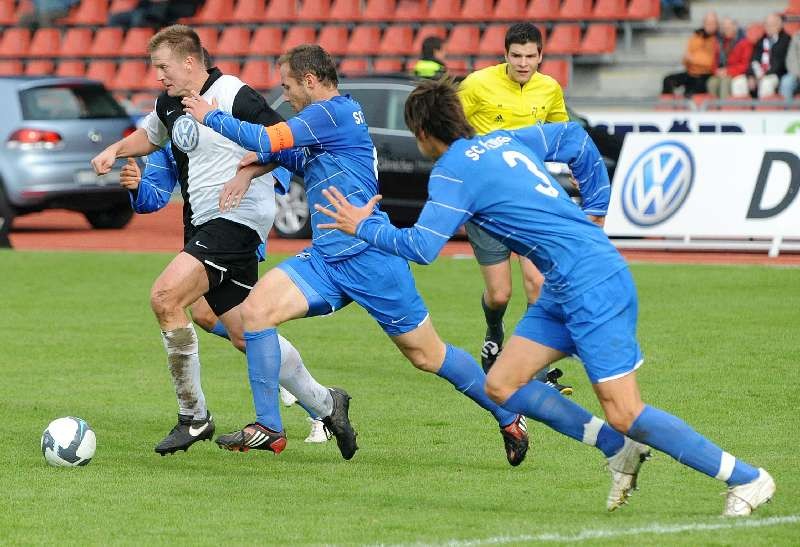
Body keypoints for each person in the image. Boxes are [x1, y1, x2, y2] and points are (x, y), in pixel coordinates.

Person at [315, 77, 776, 517]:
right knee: (502, 385)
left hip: (591, 282)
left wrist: (364, 225)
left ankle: (747, 477)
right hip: (564, 282)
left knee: (625, 410)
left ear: (421, 132)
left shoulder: (452, 170)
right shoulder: (505, 140)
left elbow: (421, 248)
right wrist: (595, 207)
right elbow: (574, 139)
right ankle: (619, 451)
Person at [181, 44, 529, 465]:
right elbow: (289, 153)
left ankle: (509, 416)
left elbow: (268, 137)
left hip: (370, 257)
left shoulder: (332, 114)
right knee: (254, 314)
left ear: (310, 81)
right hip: (327, 259)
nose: (285, 93)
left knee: (427, 355)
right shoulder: (324, 121)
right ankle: (270, 427)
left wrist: (210, 115)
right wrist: (259, 162)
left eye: (288, 85)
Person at [90, 25, 351, 456]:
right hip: (203, 225)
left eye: (163, 67)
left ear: (190, 62)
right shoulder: (168, 103)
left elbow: (282, 143)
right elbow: (151, 135)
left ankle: (194, 418)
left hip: (237, 222)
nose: (159, 76)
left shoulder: (233, 94)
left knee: (166, 298)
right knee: (242, 329)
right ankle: (327, 404)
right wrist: (116, 151)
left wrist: (246, 174)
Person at [118, 145, 330, 443]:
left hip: (236, 231)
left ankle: (313, 406)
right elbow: (153, 196)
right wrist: (139, 185)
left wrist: (251, 175)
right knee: (214, 320)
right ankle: (317, 401)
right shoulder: (168, 129)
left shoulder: (224, 111)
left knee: (234, 325)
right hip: (203, 237)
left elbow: (274, 153)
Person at [457, 22, 574, 392]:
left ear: (540, 56)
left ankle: (532, 369)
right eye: (516, 56)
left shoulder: (549, 88)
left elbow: (561, 135)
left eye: (531, 56)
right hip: (486, 203)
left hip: (530, 201)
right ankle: (494, 330)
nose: (524, 63)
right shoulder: (476, 85)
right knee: (500, 295)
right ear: (505, 55)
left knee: (538, 284)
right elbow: (448, 127)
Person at [732, 13, 791, 99]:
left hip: (775, 75)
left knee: (766, 83)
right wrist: (751, 76)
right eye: (766, 24)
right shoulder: (761, 40)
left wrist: (763, 75)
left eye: (772, 25)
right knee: (738, 82)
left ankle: (764, 110)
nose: (768, 27)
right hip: (758, 74)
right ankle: (741, 111)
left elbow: (780, 64)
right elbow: (753, 60)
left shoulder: (785, 40)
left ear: (780, 26)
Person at [662, 11, 719, 97]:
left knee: (691, 91)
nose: (709, 25)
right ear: (703, 23)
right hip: (691, 72)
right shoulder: (696, 37)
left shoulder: (719, 40)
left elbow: (710, 62)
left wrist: (693, 59)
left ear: (716, 24)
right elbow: (685, 59)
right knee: (668, 80)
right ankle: (669, 107)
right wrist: (690, 60)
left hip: (706, 75)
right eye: (707, 23)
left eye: (712, 23)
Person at [707, 19, 753, 100]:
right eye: (724, 29)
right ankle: (713, 109)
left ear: (735, 27)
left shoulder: (744, 42)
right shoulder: (720, 42)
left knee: (725, 82)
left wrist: (727, 71)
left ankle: (724, 108)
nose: (726, 31)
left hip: (736, 73)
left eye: (728, 28)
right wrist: (716, 71)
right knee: (712, 82)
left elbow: (745, 65)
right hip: (721, 72)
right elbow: (713, 61)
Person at [779, 28, 800, 100]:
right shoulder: (797, 36)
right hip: (797, 74)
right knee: (786, 81)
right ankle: (786, 110)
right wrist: (798, 74)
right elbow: (791, 58)